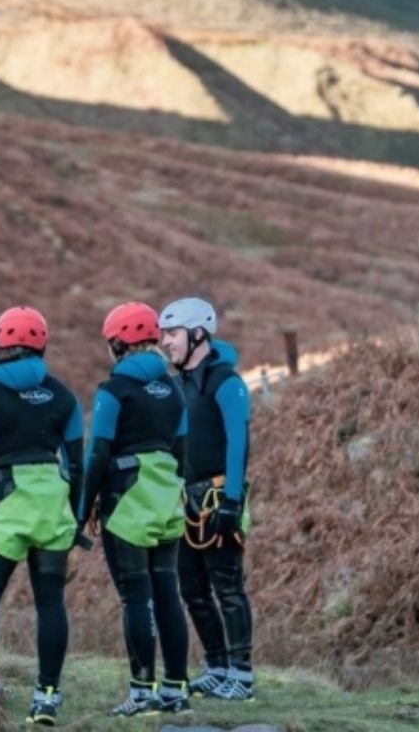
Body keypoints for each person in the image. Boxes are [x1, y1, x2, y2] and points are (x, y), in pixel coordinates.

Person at [0, 306, 84, 726]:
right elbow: (77, 464)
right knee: (50, 603)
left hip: (7, 503)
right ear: (41, 344)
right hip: (52, 506)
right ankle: (46, 697)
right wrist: (74, 518)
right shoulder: (63, 395)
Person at [79, 302, 191, 716]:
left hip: (126, 501)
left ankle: (142, 692)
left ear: (116, 343)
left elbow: (98, 453)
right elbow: (181, 449)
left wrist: (83, 508)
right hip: (166, 499)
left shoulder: (113, 391)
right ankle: (176, 690)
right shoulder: (174, 387)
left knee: (136, 599)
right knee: (168, 596)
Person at [159, 297, 254, 701]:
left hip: (218, 498)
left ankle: (242, 675)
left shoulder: (225, 381)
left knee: (228, 587)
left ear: (198, 334)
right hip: (185, 502)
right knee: (192, 588)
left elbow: (239, 442)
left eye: (172, 334)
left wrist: (232, 501)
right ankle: (216, 666)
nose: (165, 342)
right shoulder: (178, 384)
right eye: (164, 334)